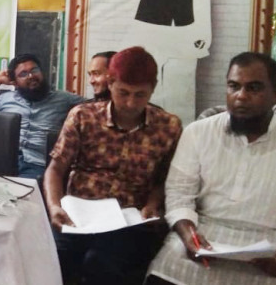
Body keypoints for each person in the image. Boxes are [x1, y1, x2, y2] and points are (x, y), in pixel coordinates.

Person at [147, 52, 276, 285]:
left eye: (254, 88)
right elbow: (179, 197)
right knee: (165, 270)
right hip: (204, 235)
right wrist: (189, 237)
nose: (241, 96)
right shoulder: (198, 133)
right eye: (234, 86)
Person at [43, 46, 182, 285]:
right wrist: (55, 206)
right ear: (110, 83)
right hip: (79, 217)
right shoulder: (83, 116)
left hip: (130, 222)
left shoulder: (167, 127)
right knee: (51, 260)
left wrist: (153, 204)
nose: (130, 103)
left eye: (140, 95)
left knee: (101, 264)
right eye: (123, 92)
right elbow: (56, 168)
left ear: (153, 88)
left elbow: (165, 178)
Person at [0, 54, 83, 180]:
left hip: (38, 164)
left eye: (34, 70)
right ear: (14, 82)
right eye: (23, 74)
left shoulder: (64, 99)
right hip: (3, 161)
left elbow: (96, 107)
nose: (31, 76)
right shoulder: (4, 99)